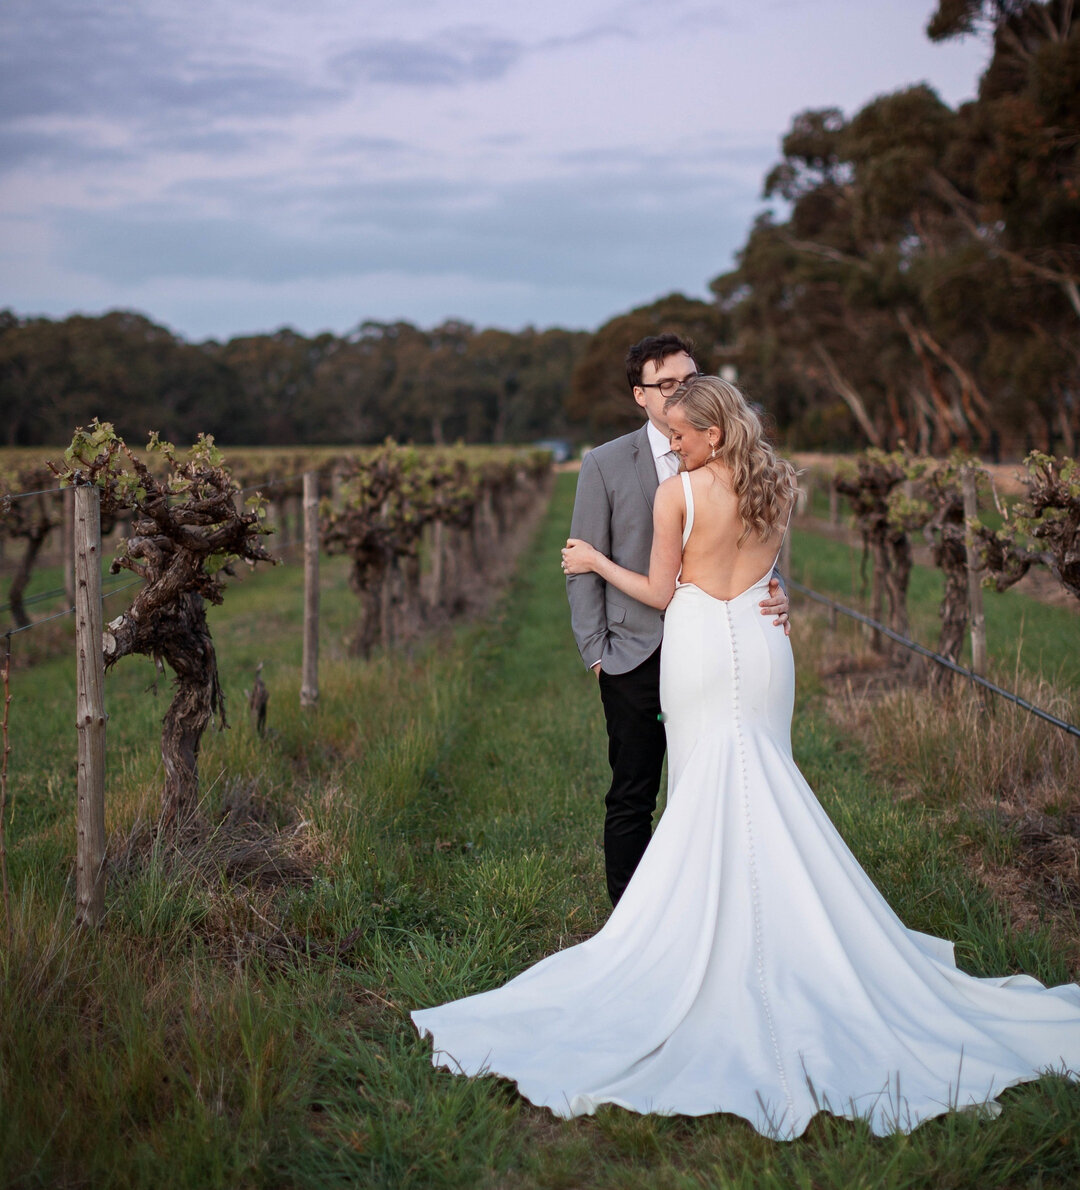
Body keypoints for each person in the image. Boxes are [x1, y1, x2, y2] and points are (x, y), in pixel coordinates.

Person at [411, 376, 1080, 1139]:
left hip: (698, 646)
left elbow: (662, 593)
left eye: (686, 435)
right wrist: (773, 590)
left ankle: (713, 940)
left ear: (714, 435)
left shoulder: (680, 495)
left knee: (706, 788)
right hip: (764, 649)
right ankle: (785, 938)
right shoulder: (778, 485)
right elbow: (766, 577)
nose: (676, 444)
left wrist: (594, 562)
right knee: (765, 781)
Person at [565, 333, 789, 905]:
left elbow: (753, 555)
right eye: (666, 385)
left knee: (710, 784)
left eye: (688, 381)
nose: (678, 393)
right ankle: (632, 916)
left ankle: (709, 906)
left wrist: (776, 590)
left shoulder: (739, 473)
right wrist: (597, 653)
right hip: (633, 654)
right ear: (640, 396)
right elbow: (580, 563)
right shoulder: (605, 464)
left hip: (712, 648)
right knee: (633, 793)